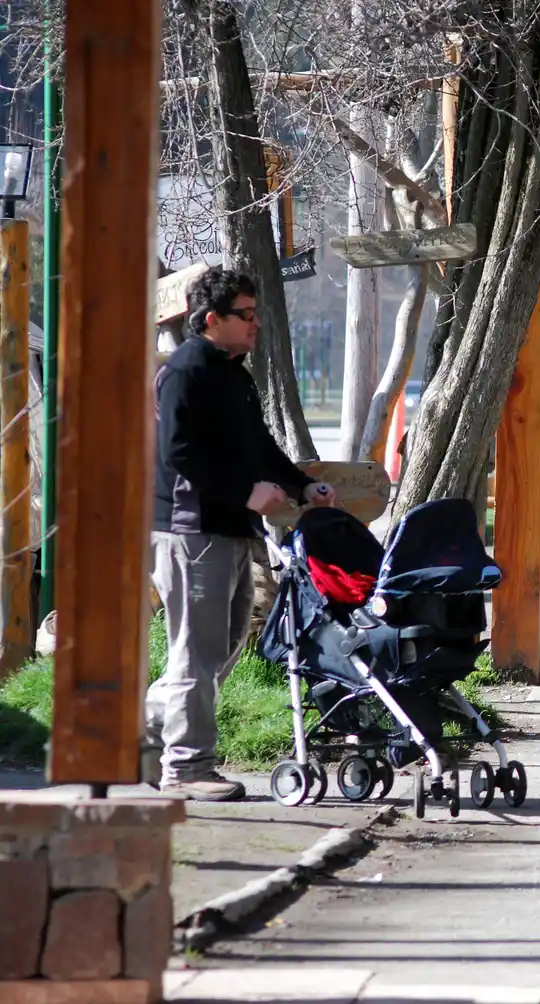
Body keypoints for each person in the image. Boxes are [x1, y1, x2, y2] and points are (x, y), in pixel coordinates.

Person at [147, 266, 337, 801]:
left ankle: (133, 731)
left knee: (225, 648)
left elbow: (261, 447)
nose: (256, 324)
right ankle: (186, 768)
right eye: (246, 315)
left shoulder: (234, 372)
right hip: (190, 531)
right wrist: (246, 493)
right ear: (211, 320)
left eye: (256, 313)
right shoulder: (185, 370)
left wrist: (302, 488)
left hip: (230, 528)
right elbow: (178, 452)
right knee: (197, 654)